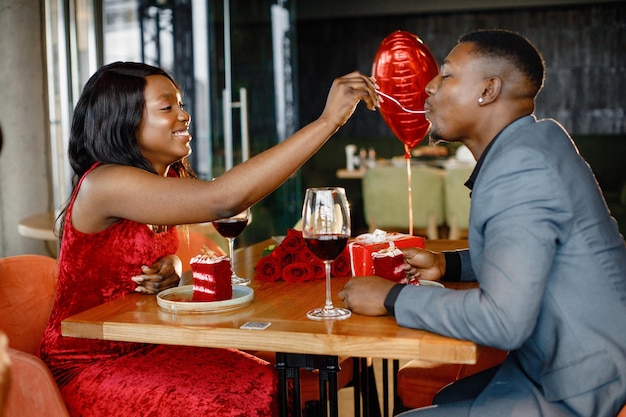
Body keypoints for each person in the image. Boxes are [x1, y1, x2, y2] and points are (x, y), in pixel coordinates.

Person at [39, 61, 378, 416]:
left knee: (274, 383)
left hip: (154, 345)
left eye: (181, 105)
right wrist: (327, 122)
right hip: (88, 364)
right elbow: (224, 200)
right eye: (167, 107)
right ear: (122, 121)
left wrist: (173, 264)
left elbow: (123, 258)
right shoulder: (104, 183)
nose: (184, 116)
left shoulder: (162, 181)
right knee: (247, 399)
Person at [339, 29, 626, 417]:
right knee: (445, 399)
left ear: (488, 91)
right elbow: (533, 252)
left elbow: (504, 322)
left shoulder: (520, 167)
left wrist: (391, 298)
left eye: (447, 75)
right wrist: (449, 264)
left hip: (578, 384)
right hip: (570, 361)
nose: (429, 87)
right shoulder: (539, 142)